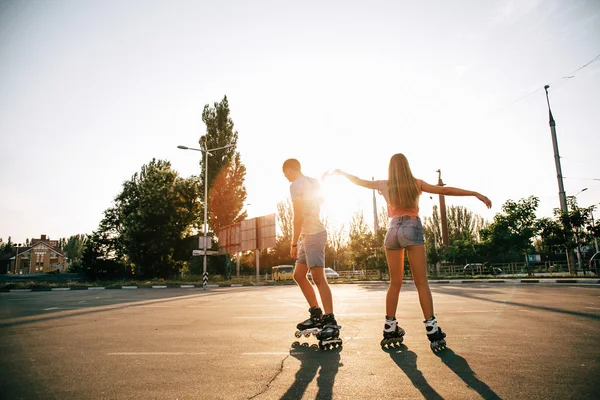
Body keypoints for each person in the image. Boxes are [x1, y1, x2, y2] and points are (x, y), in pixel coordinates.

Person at [332, 153, 491, 351]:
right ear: (406, 167)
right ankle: (432, 330)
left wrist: (341, 173)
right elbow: (445, 190)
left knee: (394, 283)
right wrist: (475, 193)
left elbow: (359, 181)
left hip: (392, 231)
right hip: (411, 227)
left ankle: (390, 328)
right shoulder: (416, 183)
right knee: (421, 282)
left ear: (391, 168)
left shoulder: (384, 184)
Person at [282, 158, 342, 350]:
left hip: (313, 234)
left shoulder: (296, 185)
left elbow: (297, 215)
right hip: (308, 235)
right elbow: (319, 201)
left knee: (318, 277)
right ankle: (316, 313)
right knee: (299, 275)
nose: (286, 178)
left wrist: (292, 242)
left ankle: (330, 319)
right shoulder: (311, 182)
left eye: (286, 174)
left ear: (291, 169)